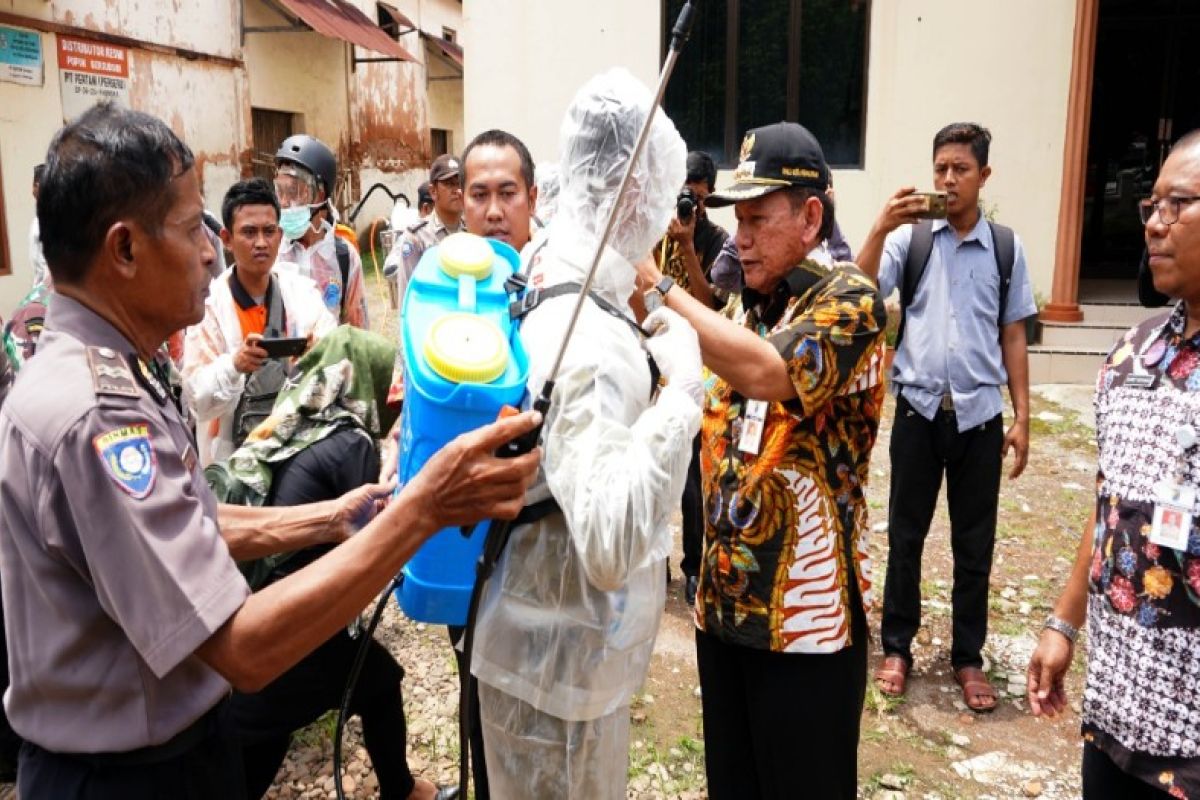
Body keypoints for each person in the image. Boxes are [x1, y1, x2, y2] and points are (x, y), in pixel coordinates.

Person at [0, 102, 541, 800]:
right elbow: (243, 648)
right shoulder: (98, 418)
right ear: (124, 249)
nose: (210, 249)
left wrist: (328, 521)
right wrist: (425, 512)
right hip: (126, 777)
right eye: (195, 226)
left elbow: (184, 525)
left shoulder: (116, 367)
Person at [635, 121, 887, 799]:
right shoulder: (745, 310)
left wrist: (661, 290)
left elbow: (771, 373)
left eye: (756, 218)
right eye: (734, 219)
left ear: (810, 217)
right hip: (724, 614)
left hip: (807, 631)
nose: (739, 236)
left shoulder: (853, 302)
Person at [470, 68, 701, 800]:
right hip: (555, 669)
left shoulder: (545, 272)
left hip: (544, 645)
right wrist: (682, 397)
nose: (667, 220)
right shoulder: (591, 341)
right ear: (634, 193)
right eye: (664, 199)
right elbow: (607, 539)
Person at [1026, 131, 1200, 800]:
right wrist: (1063, 623)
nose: (1154, 223)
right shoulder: (1131, 355)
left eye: (1177, 204)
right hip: (1117, 712)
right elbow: (1110, 501)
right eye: (1150, 206)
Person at [209, 328, 455, 800]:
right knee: (266, 734)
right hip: (293, 612)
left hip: (269, 598)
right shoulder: (353, 442)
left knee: (373, 684)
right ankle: (404, 792)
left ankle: (403, 789)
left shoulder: (307, 419)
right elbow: (367, 545)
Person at [856, 122, 1036, 712]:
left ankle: (967, 658)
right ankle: (897, 647)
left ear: (984, 175)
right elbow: (857, 294)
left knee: (974, 544)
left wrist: (1023, 416)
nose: (948, 179)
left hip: (980, 418)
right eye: (940, 169)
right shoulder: (911, 243)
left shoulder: (1005, 249)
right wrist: (883, 225)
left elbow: (1013, 333)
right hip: (918, 411)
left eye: (960, 169)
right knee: (905, 535)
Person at [182, 178, 337, 466]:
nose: (261, 243)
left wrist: (316, 355)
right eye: (249, 233)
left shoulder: (301, 293)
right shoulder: (210, 307)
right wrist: (234, 365)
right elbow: (196, 400)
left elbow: (336, 356)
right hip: (232, 460)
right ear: (227, 239)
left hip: (297, 448)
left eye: (269, 232)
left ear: (280, 235)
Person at [654, 150, 730, 606]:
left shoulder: (718, 239)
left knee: (693, 484)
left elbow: (712, 307)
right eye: (684, 195)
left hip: (698, 367)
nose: (691, 207)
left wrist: (686, 246)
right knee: (655, 469)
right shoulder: (653, 230)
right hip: (655, 362)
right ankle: (654, 563)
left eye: (699, 199)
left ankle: (693, 567)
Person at [273, 134, 369, 329]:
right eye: (280, 192)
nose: (283, 202)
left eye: (294, 192)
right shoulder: (272, 251)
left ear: (320, 193)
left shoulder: (344, 257)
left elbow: (358, 330)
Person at [389, 153, 464, 304]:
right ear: (433, 192)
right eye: (449, 184)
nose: (457, 190)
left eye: (461, 183)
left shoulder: (472, 232)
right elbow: (407, 296)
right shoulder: (417, 238)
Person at [462, 129, 539, 253]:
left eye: (507, 193)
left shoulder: (560, 269)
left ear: (531, 200)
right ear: (462, 204)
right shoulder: (438, 270)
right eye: (479, 195)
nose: (494, 213)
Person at [29, 164, 49, 289]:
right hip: (42, 288)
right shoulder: (39, 220)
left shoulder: (47, 222)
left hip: (47, 291)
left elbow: (46, 270)